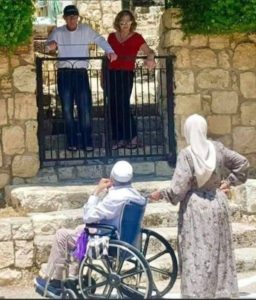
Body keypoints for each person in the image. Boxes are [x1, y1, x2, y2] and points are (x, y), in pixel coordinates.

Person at [150, 114, 249, 299]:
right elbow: (242, 163)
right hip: (217, 203)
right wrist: (229, 182)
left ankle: (198, 293)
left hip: (196, 208)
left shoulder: (187, 155)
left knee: (196, 250)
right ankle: (219, 291)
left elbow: (178, 190)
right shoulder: (217, 148)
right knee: (218, 249)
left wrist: (162, 194)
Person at [34, 160, 146, 297]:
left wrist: (96, 192)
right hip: (125, 238)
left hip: (107, 240)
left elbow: (88, 216)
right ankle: (75, 276)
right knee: (79, 230)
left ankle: (55, 282)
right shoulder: (137, 196)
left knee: (62, 235)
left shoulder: (114, 198)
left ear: (112, 177)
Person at [46, 5, 117, 152]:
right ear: (64, 18)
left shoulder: (85, 29)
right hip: (64, 73)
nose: (72, 19)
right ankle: (72, 141)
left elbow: (99, 39)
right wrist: (50, 46)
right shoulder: (58, 31)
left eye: (74, 16)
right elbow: (48, 45)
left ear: (78, 18)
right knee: (66, 109)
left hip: (80, 73)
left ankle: (87, 141)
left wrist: (110, 51)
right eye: (69, 17)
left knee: (85, 108)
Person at [104, 9, 156, 150]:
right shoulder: (111, 37)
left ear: (132, 22)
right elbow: (106, 57)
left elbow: (149, 51)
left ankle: (132, 137)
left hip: (126, 74)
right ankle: (118, 139)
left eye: (128, 21)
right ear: (118, 23)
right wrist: (103, 78)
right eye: (122, 21)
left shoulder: (137, 37)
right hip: (111, 74)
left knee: (123, 105)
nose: (125, 24)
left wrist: (150, 58)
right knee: (113, 106)